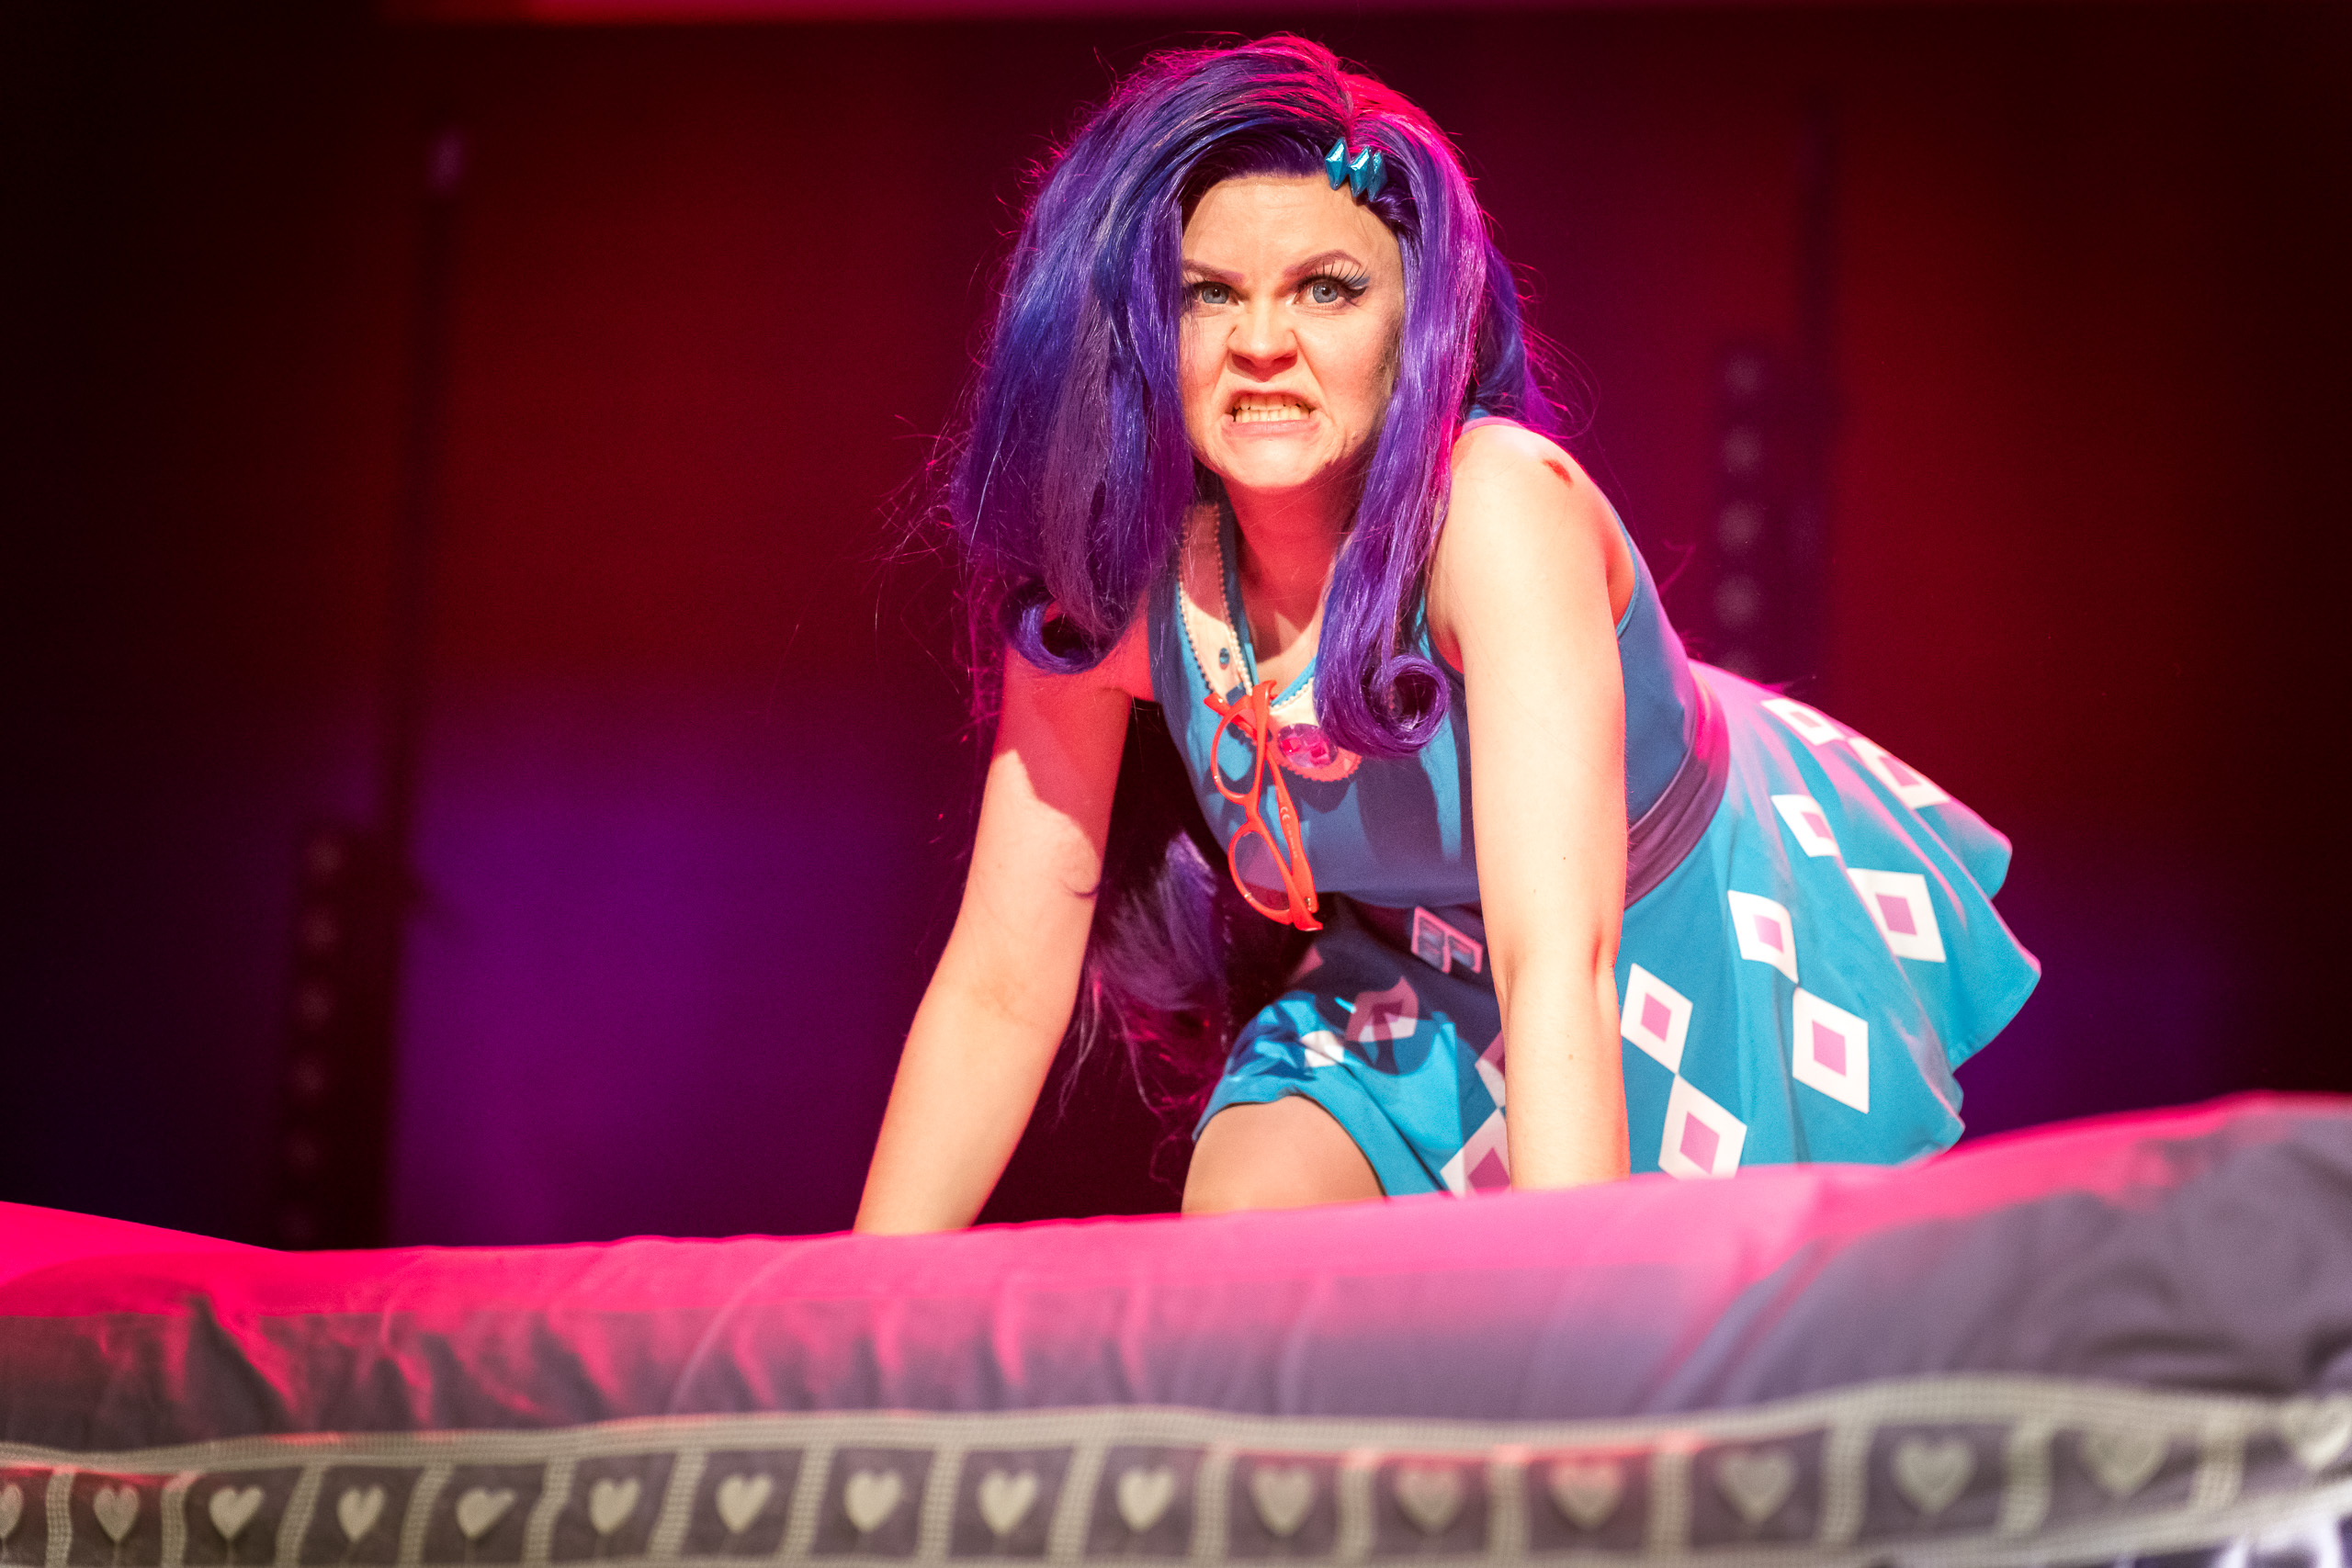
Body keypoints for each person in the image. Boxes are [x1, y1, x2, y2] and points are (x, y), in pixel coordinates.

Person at [854, 37, 2039, 1233]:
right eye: (1209, 293)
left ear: (1416, 325)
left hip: (1662, 949)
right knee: (1245, 1209)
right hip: (1409, 975)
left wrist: (1571, 1323)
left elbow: (1557, 964)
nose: (1262, 342)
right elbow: (1002, 983)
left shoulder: (1498, 510)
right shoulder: (1110, 585)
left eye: (1327, 289)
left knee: (1682, 1319)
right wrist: (852, 1312)